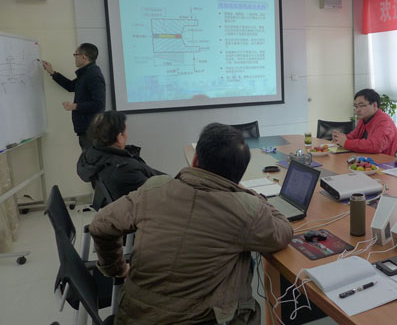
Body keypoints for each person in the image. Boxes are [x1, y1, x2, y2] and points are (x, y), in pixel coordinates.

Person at [89, 123, 293, 325]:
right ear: (239, 173)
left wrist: (117, 268)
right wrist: (250, 194)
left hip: (133, 317)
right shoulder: (244, 209)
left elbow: (100, 224)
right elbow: (283, 231)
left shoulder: (154, 189)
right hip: (201, 319)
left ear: (195, 160)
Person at [77, 111, 164, 203]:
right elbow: (155, 199)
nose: (127, 135)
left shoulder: (94, 157)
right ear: (119, 137)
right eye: (125, 131)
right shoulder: (124, 169)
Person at [41, 43, 105, 150]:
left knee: (93, 160)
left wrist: (75, 106)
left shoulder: (93, 75)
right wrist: (52, 72)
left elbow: (99, 104)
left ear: (83, 57)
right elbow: (71, 86)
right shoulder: (86, 73)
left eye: (76, 54)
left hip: (92, 130)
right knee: (89, 159)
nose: (74, 57)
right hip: (86, 129)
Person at [332, 89, 397, 156]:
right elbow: (353, 136)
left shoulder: (384, 121)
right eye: (356, 106)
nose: (357, 110)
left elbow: (376, 146)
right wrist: (340, 138)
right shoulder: (363, 119)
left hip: (387, 161)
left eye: (361, 106)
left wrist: (346, 143)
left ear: (374, 105)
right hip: (370, 158)